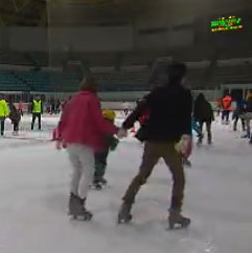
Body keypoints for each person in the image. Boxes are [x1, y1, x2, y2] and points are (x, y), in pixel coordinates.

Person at [117, 63, 192, 229]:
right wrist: (186, 138)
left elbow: (139, 110)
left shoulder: (157, 92)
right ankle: (174, 213)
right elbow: (186, 119)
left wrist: (125, 126)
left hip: (152, 141)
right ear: (182, 77)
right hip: (172, 144)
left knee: (142, 176)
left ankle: (125, 207)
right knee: (179, 179)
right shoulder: (185, 94)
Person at [55, 76, 117, 221]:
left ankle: (72, 203)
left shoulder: (73, 99)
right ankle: (80, 205)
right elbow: (99, 122)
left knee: (77, 171)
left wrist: (59, 138)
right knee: (88, 173)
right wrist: (115, 130)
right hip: (84, 141)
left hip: (70, 141)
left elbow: (63, 120)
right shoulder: (92, 100)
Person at [92, 110, 120, 190]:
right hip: (100, 147)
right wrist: (114, 140)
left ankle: (98, 177)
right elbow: (110, 134)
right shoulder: (107, 125)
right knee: (99, 164)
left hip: (101, 147)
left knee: (99, 163)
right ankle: (95, 179)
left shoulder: (100, 123)